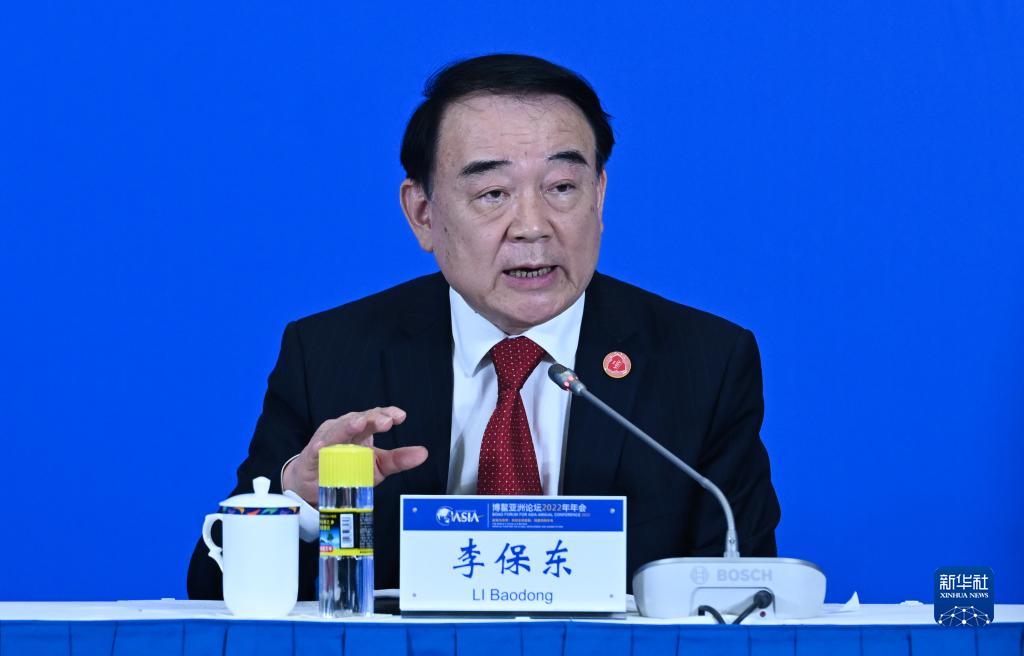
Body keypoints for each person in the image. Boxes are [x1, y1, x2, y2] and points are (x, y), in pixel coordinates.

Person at [187, 53, 781, 600]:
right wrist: (301, 502)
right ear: (423, 214)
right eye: (493, 193)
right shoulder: (331, 355)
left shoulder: (703, 364)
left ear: (599, 196)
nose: (532, 226)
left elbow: (745, 600)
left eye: (562, 188)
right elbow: (214, 591)